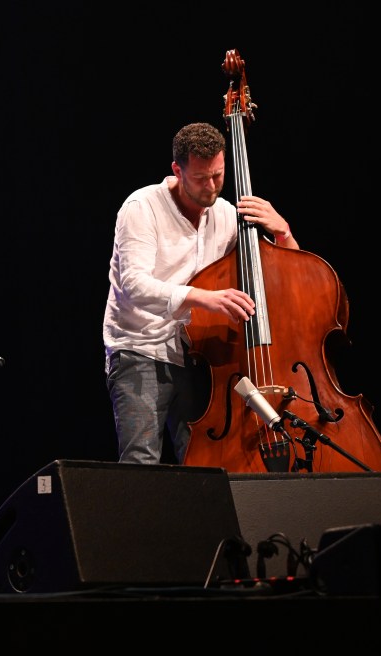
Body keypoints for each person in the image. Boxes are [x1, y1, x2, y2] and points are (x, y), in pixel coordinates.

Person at [103, 121, 298, 466]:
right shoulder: (142, 207)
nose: (211, 186)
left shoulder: (227, 215)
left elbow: (284, 278)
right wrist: (203, 297)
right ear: (177, 171)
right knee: (140, 462)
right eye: (200, 178)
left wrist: (283, 233)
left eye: (218, 175)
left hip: (198, 357)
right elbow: (133, 285)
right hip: (141, 348)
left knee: (203, 466)